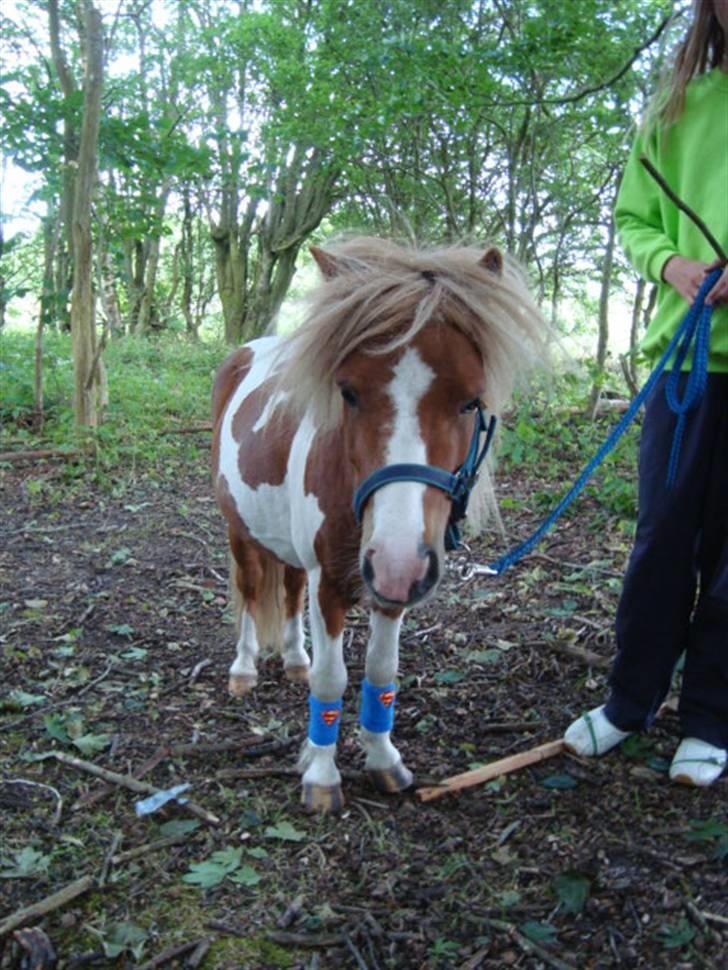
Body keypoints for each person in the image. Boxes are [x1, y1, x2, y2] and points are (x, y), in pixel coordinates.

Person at [564, 0, 728, 786]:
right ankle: (631, 701)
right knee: (662, 533)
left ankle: (710, 719)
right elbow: (634, 217)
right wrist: (677, 267)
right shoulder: (676, 108)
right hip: (683, 363)